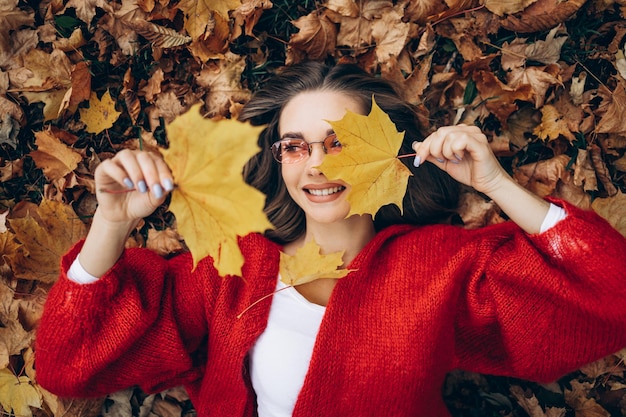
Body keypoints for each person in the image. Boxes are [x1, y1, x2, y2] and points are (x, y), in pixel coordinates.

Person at [35, 61, 626, 417]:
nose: (316, 165)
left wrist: (496, 183)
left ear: (390, 154)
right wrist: (111, 224)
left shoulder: (441, 268)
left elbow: (610, 294)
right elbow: (68, 367)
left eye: (339, 142)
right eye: (296, 145)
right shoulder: (229, 271)